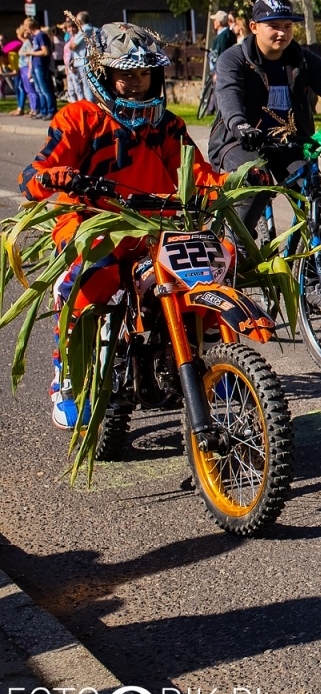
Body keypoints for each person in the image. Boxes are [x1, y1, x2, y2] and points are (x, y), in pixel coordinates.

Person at [18, 23, 229, 429]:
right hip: (94, 223)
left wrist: (230, 186)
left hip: (156, 226)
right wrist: (49, 178)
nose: (136, 84)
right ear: (103, 75)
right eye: (126, 74)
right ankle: (68, 377)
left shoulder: (167, 124)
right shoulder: (78, 118)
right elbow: (35, 171)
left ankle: (212, 360)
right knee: (91, 280)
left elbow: (198, 173)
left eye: (144, 74)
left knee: (219, 260)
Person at [210, 0, 321, 222]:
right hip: (238, 140)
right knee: (257, 183)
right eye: (273, 26)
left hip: (287, 142)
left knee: (313, 194)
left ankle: (311, 253)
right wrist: (240, 125)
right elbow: (228, 95)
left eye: (287, 26)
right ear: (254, 27)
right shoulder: (234, 59)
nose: (282, 33)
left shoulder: (302, 59)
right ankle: (238, 250)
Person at [22, 17, 54, 118]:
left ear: (30, 26)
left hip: (41, 64)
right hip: (35, 64)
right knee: (39, 89)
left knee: (44, 89)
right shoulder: (34, 37)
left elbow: (45, 51)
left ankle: (51, 110)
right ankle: (43, 110)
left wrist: (30, 52)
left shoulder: (41, 35)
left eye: (26, 26)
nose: (25, 28)